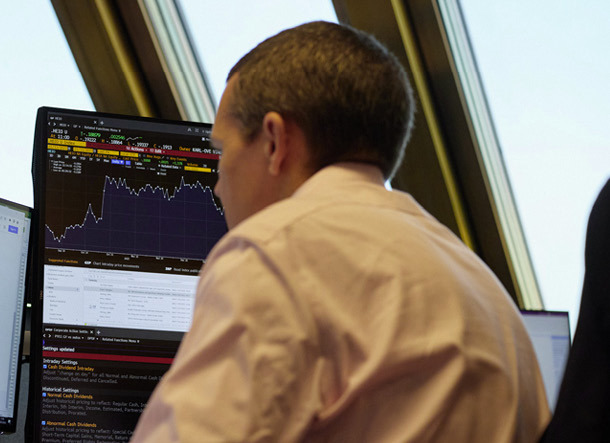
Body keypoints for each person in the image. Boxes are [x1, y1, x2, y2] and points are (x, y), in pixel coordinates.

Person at [131, 21, 549, 442]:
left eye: (221, 150)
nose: (218, 183)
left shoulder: (272, 253)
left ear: (274, 141)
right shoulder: (488, 292)